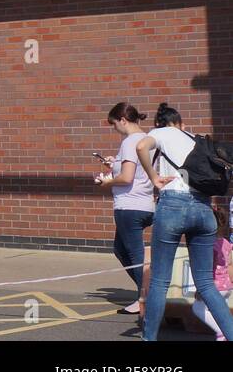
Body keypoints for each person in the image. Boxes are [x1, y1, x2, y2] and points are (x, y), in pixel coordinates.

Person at [136, 102, 233, 341]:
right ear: (181, 123)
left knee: (160, 280)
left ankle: (149, 339)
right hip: (203, 209)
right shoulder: (194, 138)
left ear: (160, 124)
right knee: (206, 284)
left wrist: (154, 177)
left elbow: (140, 147)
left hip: (173, 206)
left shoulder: (158, 133)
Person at [94, 102, 153, 315]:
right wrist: (115, 163)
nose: (114, 129)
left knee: (134, 254)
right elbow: (137, 171)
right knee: (121, 249)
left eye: (114, 124)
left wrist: (107, 182)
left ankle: (145, 296)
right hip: (146, 204)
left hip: (129, 206)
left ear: (123, 120)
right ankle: (146, 291)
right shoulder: (147, 140)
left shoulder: (129, 142)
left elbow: (127, 177)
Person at [191, 199, 232, 340]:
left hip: (215, 285)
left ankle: (221, 333)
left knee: (198, 308)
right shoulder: (226, 243)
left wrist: (200, 288)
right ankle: (226, 332)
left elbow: (208, 268)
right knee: (222, 312)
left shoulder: (209, 245)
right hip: (227, 286)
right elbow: (230, 264)